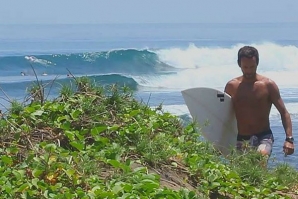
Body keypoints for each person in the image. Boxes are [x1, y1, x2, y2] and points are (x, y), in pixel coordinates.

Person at [224, 46, 294, 157]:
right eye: (245, 67)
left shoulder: (268, 85)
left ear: (257, 63)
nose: (249, 71)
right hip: (240, 138)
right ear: (239, 64)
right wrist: (218, 140)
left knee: (261, 156)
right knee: (241, 173)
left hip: (264, 136)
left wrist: (289, 139)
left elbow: (284, 112)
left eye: (252, 67)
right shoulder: (231, 86)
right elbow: (223, 114)